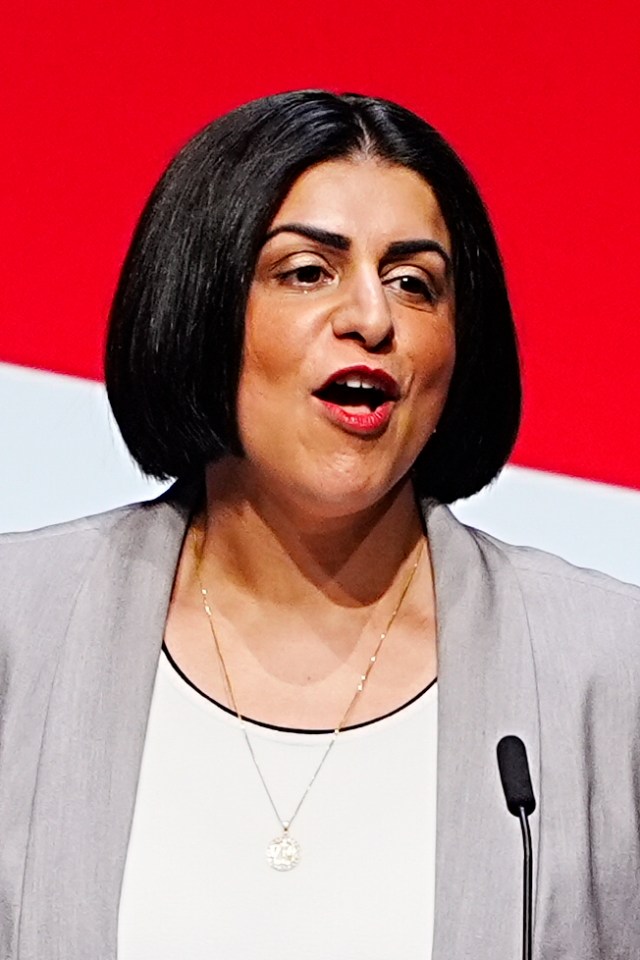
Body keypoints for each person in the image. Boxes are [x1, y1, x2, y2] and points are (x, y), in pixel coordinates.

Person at [1, 89, 639, 960]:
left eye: (415, 284)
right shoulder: (19, 628)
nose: (372, 318)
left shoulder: (606, 670)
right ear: (201, 303)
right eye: (307, 270)